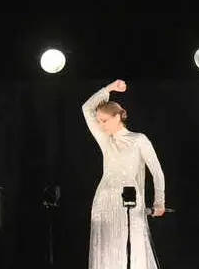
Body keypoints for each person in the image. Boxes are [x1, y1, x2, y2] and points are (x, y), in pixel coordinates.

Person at [82, 80, 166, 269]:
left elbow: (157, 172)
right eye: (100, 122)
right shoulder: (105, 140)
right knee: (106, 249)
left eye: (104, 121)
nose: (101, 126)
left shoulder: (139, 140)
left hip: (131, 199)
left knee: (134, 247)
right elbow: (86, 108)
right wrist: (109, 89)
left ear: (118, 117)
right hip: (105, 200)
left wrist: (159, 201)